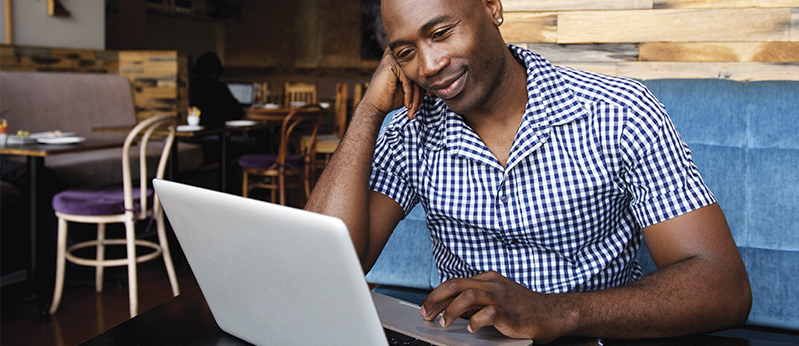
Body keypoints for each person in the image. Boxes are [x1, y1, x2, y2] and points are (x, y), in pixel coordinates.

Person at [305, 0, 752, 343]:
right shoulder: (410, 133)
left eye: (441, 33)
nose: (429, 65)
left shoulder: (618, 113)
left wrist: (555, 311)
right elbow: (319, 273)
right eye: (406, 52)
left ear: (492, 7)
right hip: (465, 342)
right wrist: (369, 111)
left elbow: (722, 287)